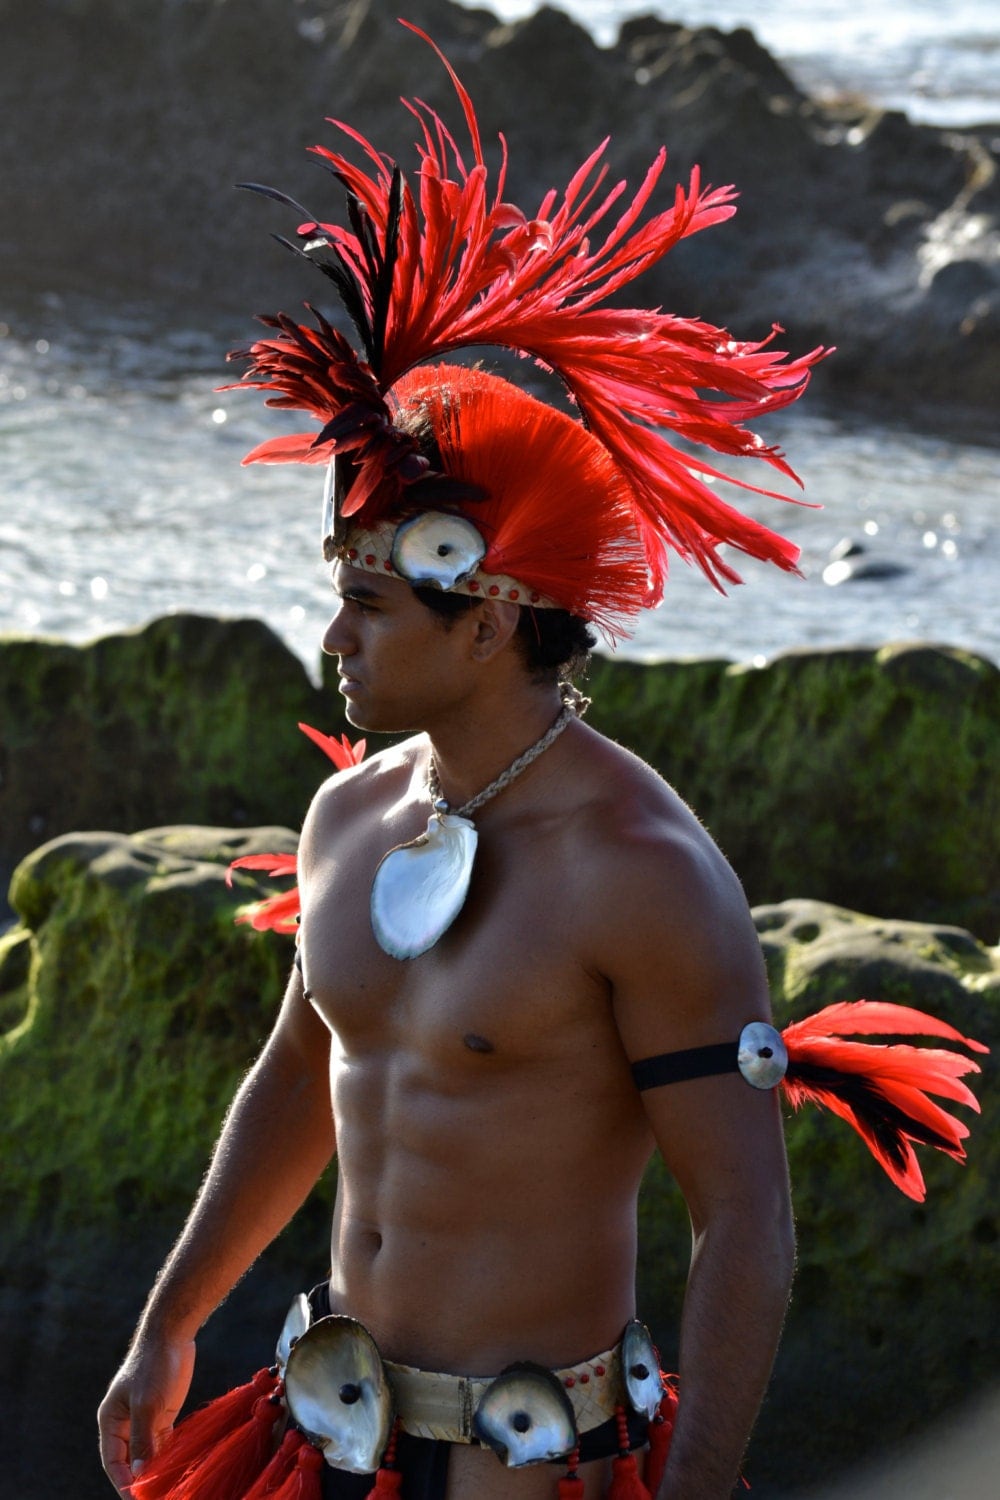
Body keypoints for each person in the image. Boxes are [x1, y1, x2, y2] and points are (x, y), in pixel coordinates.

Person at [97, 25, 984, 1500]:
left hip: (541, 1469)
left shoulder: (642, 875)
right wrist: (169, 1319)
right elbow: (306, 1067)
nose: (333, 639)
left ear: (493, 606)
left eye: (370, 605)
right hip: (318, 1436)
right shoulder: (348, 814)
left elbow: (744, 1224)